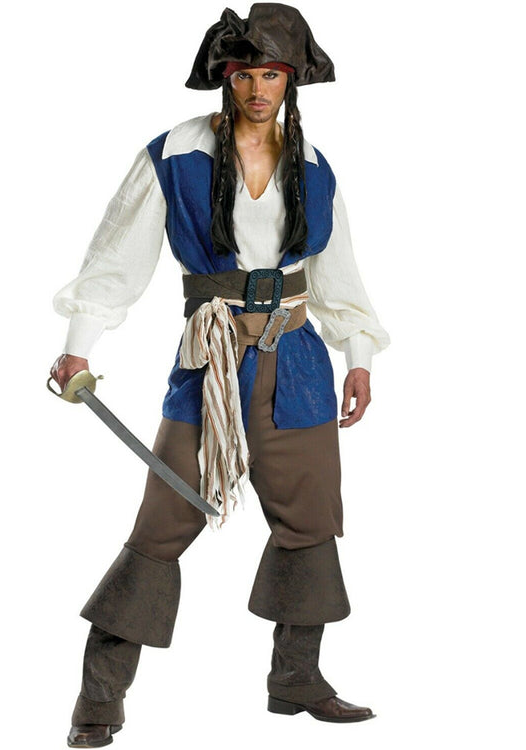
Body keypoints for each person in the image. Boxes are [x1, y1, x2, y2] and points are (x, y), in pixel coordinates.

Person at [50, 4, 390, 746]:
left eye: (272, 75)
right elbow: (117, 257)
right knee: (161, 527)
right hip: (212, 360)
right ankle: (99, 700)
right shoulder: (175, 153)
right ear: (225, 79)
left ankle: (296, 679)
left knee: (311, 522)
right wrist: (79, 346)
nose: (258, 89)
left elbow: (336, 271)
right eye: (244, 75)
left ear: (291, 80)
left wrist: (358, 357)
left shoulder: (314, 166)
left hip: (299, 364)